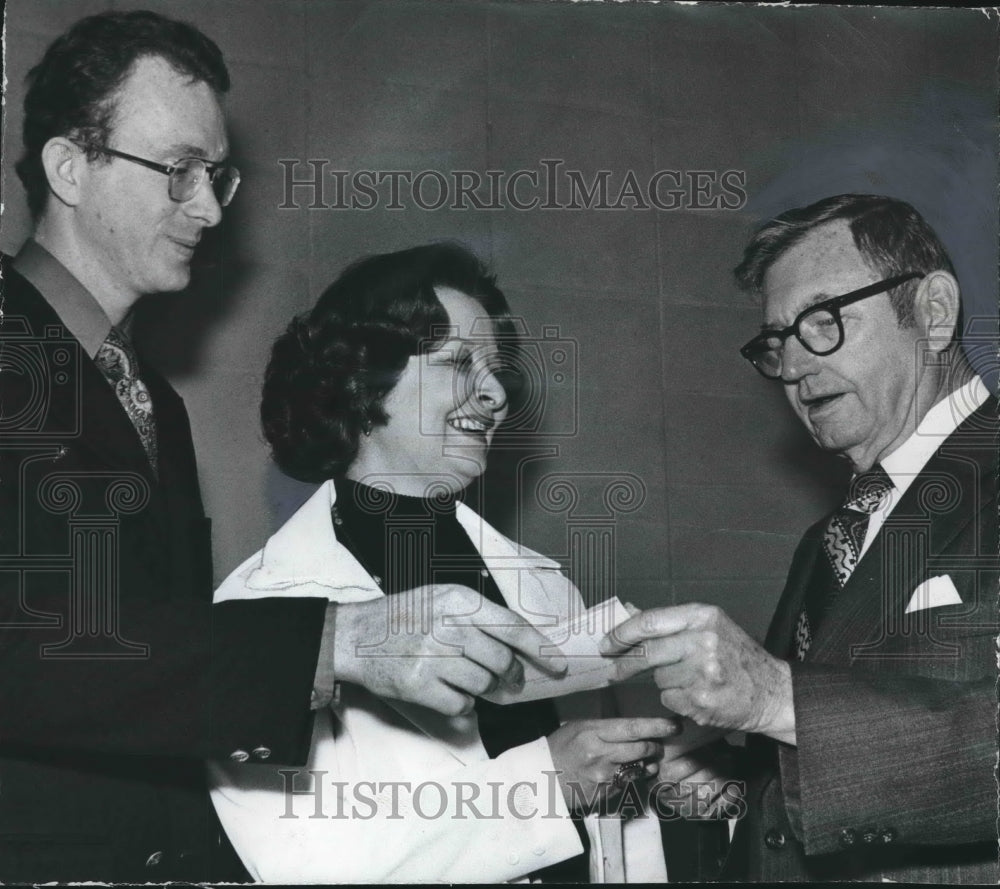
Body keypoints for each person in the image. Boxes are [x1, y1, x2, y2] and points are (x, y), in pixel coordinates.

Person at [0, 11, 562, 882]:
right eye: (177, 170)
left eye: (217, 176)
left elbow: (157, 666)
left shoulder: (150, 398)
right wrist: (336, 642)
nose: (208, 208)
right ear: (70, 168)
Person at [208, 243, 674, 883]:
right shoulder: (259, 610)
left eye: (495, 368)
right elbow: (304, 865)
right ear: (360, 383)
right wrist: (543, 785)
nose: (495, 395)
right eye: (459, 363)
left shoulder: (545, 587)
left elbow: (619, 831)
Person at [603, 194, 998, 882]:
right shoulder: (828, 541)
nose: (792, 367)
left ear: (933, 312)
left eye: (824, 321)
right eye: (776, 341)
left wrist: (775, 699)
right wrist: (724, 777)